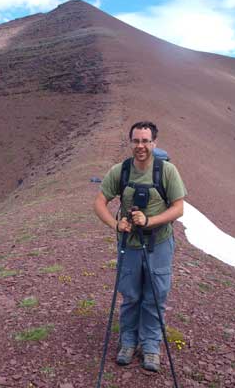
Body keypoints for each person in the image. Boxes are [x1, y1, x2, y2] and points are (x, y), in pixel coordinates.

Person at [94, 121, 187, 372]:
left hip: (159, 244)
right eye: (136, 141)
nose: (141, 146)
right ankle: (127, 341)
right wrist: (115, 225)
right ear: (130, 142)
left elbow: (178, 208)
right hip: (130, 244)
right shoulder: (120, 171)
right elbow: (100, 202)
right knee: (131, 295)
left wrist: (149, 221)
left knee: (154, 296)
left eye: (145, 141)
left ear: (154, 143)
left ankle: (150, 346)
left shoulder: (166, 171)